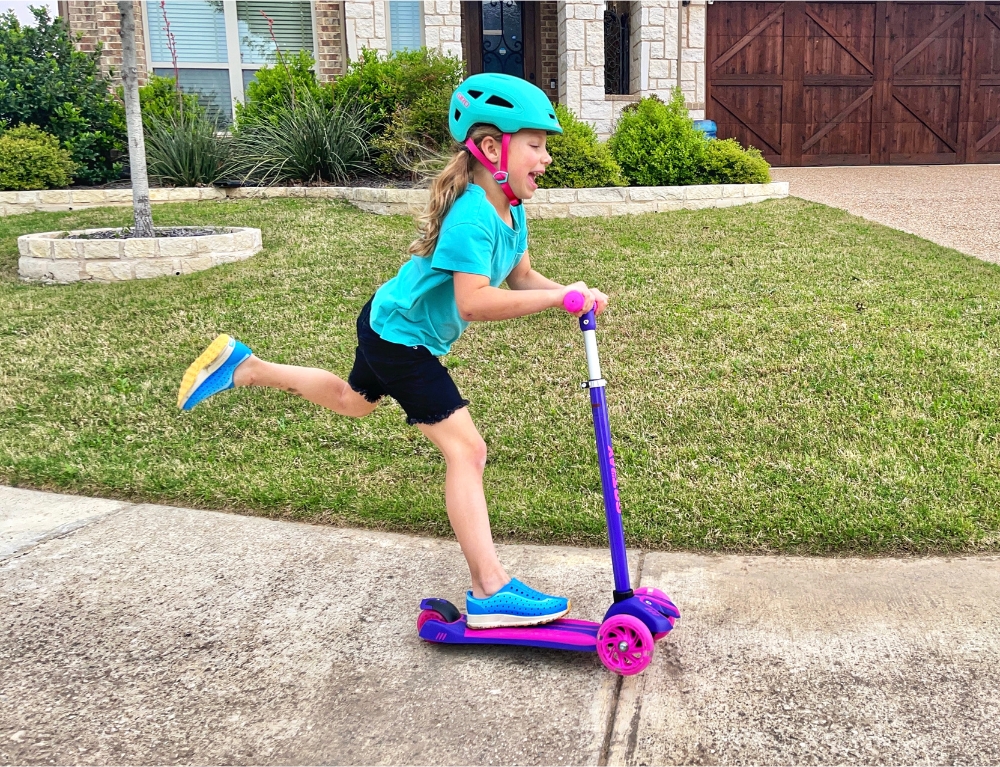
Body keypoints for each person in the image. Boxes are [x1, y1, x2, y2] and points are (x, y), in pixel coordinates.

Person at [176, 73, 608, 629]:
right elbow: (473, 302)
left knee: (355, 401)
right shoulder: (473, 215)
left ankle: (247, 367)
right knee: (467, 451)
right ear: (493, 148)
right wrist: (555, 301)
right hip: (400, 339)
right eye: (536, 145)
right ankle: (489, 589)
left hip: (389, 323)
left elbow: (520, 276)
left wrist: (568, 294)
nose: (546, 158)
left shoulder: (511, 210)